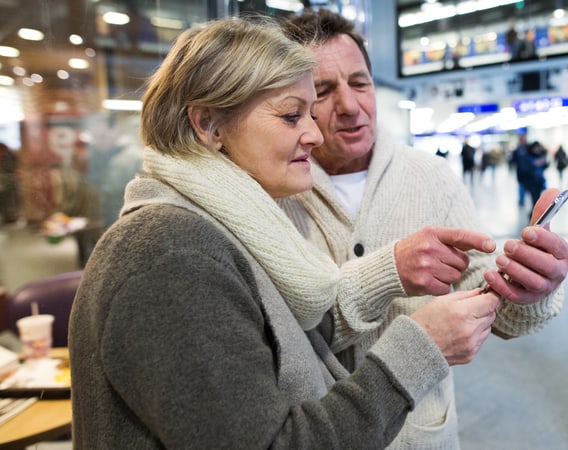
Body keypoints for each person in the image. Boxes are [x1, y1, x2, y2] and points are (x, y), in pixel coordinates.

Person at [69, 16, 502, 449]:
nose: (314, 134)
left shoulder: (230, 223)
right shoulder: (173, 256)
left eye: (309, 114)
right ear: (209, 126)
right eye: (293, 115)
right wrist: (418, 349)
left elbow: (288, 339)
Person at [280, 9, 568, 449]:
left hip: (420, 435)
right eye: (322, 91)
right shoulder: (275, 191)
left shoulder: (431, 177)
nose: (349, 105)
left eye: (360, 83)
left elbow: (496, 305)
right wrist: (389, 271)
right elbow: (278, 340)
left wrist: (531, 287)